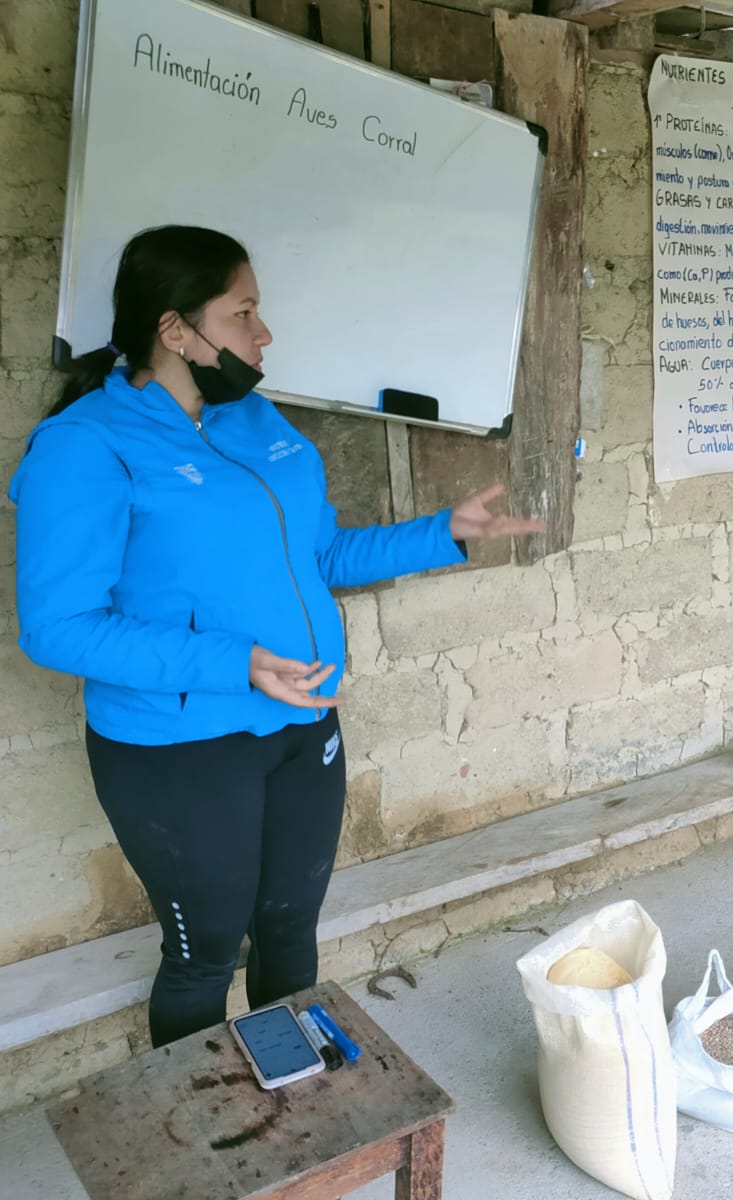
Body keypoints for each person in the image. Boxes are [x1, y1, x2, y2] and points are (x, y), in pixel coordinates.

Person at [8, 225, 543, 1047]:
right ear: (174, 330)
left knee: (292, 928)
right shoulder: (85, 447)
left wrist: (446, 532)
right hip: (180, 749)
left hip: (301, 720)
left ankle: (293, 1103)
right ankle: (205, 1140)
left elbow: (319, 553)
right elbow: (57, 629)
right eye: (243, 313)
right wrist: (235, 664)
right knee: (205, 955)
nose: (264, 335)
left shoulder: (260, 423)